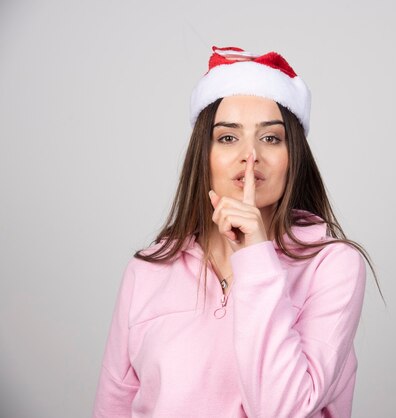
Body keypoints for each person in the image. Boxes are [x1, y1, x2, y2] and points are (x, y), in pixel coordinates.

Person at [92, 45, 378, 418]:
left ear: (294, 156)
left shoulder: (333, 264)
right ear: (204, 155)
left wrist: (255, 255)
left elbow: (284, 410)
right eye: (228, 137)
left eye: (271, 138)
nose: (250, 154)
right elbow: (112, 407)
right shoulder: (147, 270)